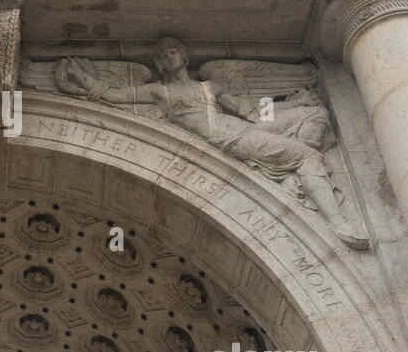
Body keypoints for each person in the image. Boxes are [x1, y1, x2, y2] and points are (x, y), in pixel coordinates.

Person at [59, 37, 364, 247]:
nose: (168, 57)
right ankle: (335, 219)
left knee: (316, 113)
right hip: (230, 142)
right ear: (160, 66)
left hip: (244, 130)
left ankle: (296, 182)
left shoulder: (211, 87)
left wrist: (293, 102)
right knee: (306, 155)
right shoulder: (158, 92)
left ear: (184, 56)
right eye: (162, 56)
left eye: (173, 52)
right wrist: (81, 78)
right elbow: (115, 96)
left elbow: (253, 112)